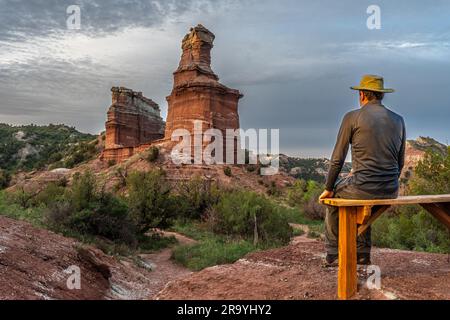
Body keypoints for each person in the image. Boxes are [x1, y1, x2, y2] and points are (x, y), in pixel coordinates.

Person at [319, 74, 406, 265]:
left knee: (332, 199)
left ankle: (333, 252)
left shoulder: (352, 117)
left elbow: (337, 159)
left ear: (362, 95)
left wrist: (328, 187)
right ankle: (363, 252)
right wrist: (385, 181)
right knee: (363, 199)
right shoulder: (399, 120)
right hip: (391, 188)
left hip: (363, 186)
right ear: (381, 95)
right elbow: (400, 162)